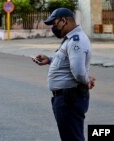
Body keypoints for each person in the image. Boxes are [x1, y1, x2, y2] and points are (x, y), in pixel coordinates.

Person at [32, 8, 96, 141]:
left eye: (55, 24)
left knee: (73, 138)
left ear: (64, 21)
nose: (54, 28)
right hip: (66, 98)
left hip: (70, 98)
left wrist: (87, 81)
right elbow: (67, 60)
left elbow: (78, 72)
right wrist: (49, 59)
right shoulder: (70, 39)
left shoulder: (76, 40)